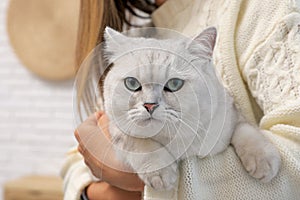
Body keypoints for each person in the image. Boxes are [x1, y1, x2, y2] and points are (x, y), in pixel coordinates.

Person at [61, 0, 300, 199]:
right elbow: (75, 162)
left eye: (172, 85)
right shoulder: (146, 33)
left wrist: (142, 185)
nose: (150, 103)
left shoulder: (260, 9)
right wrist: (94, 192)